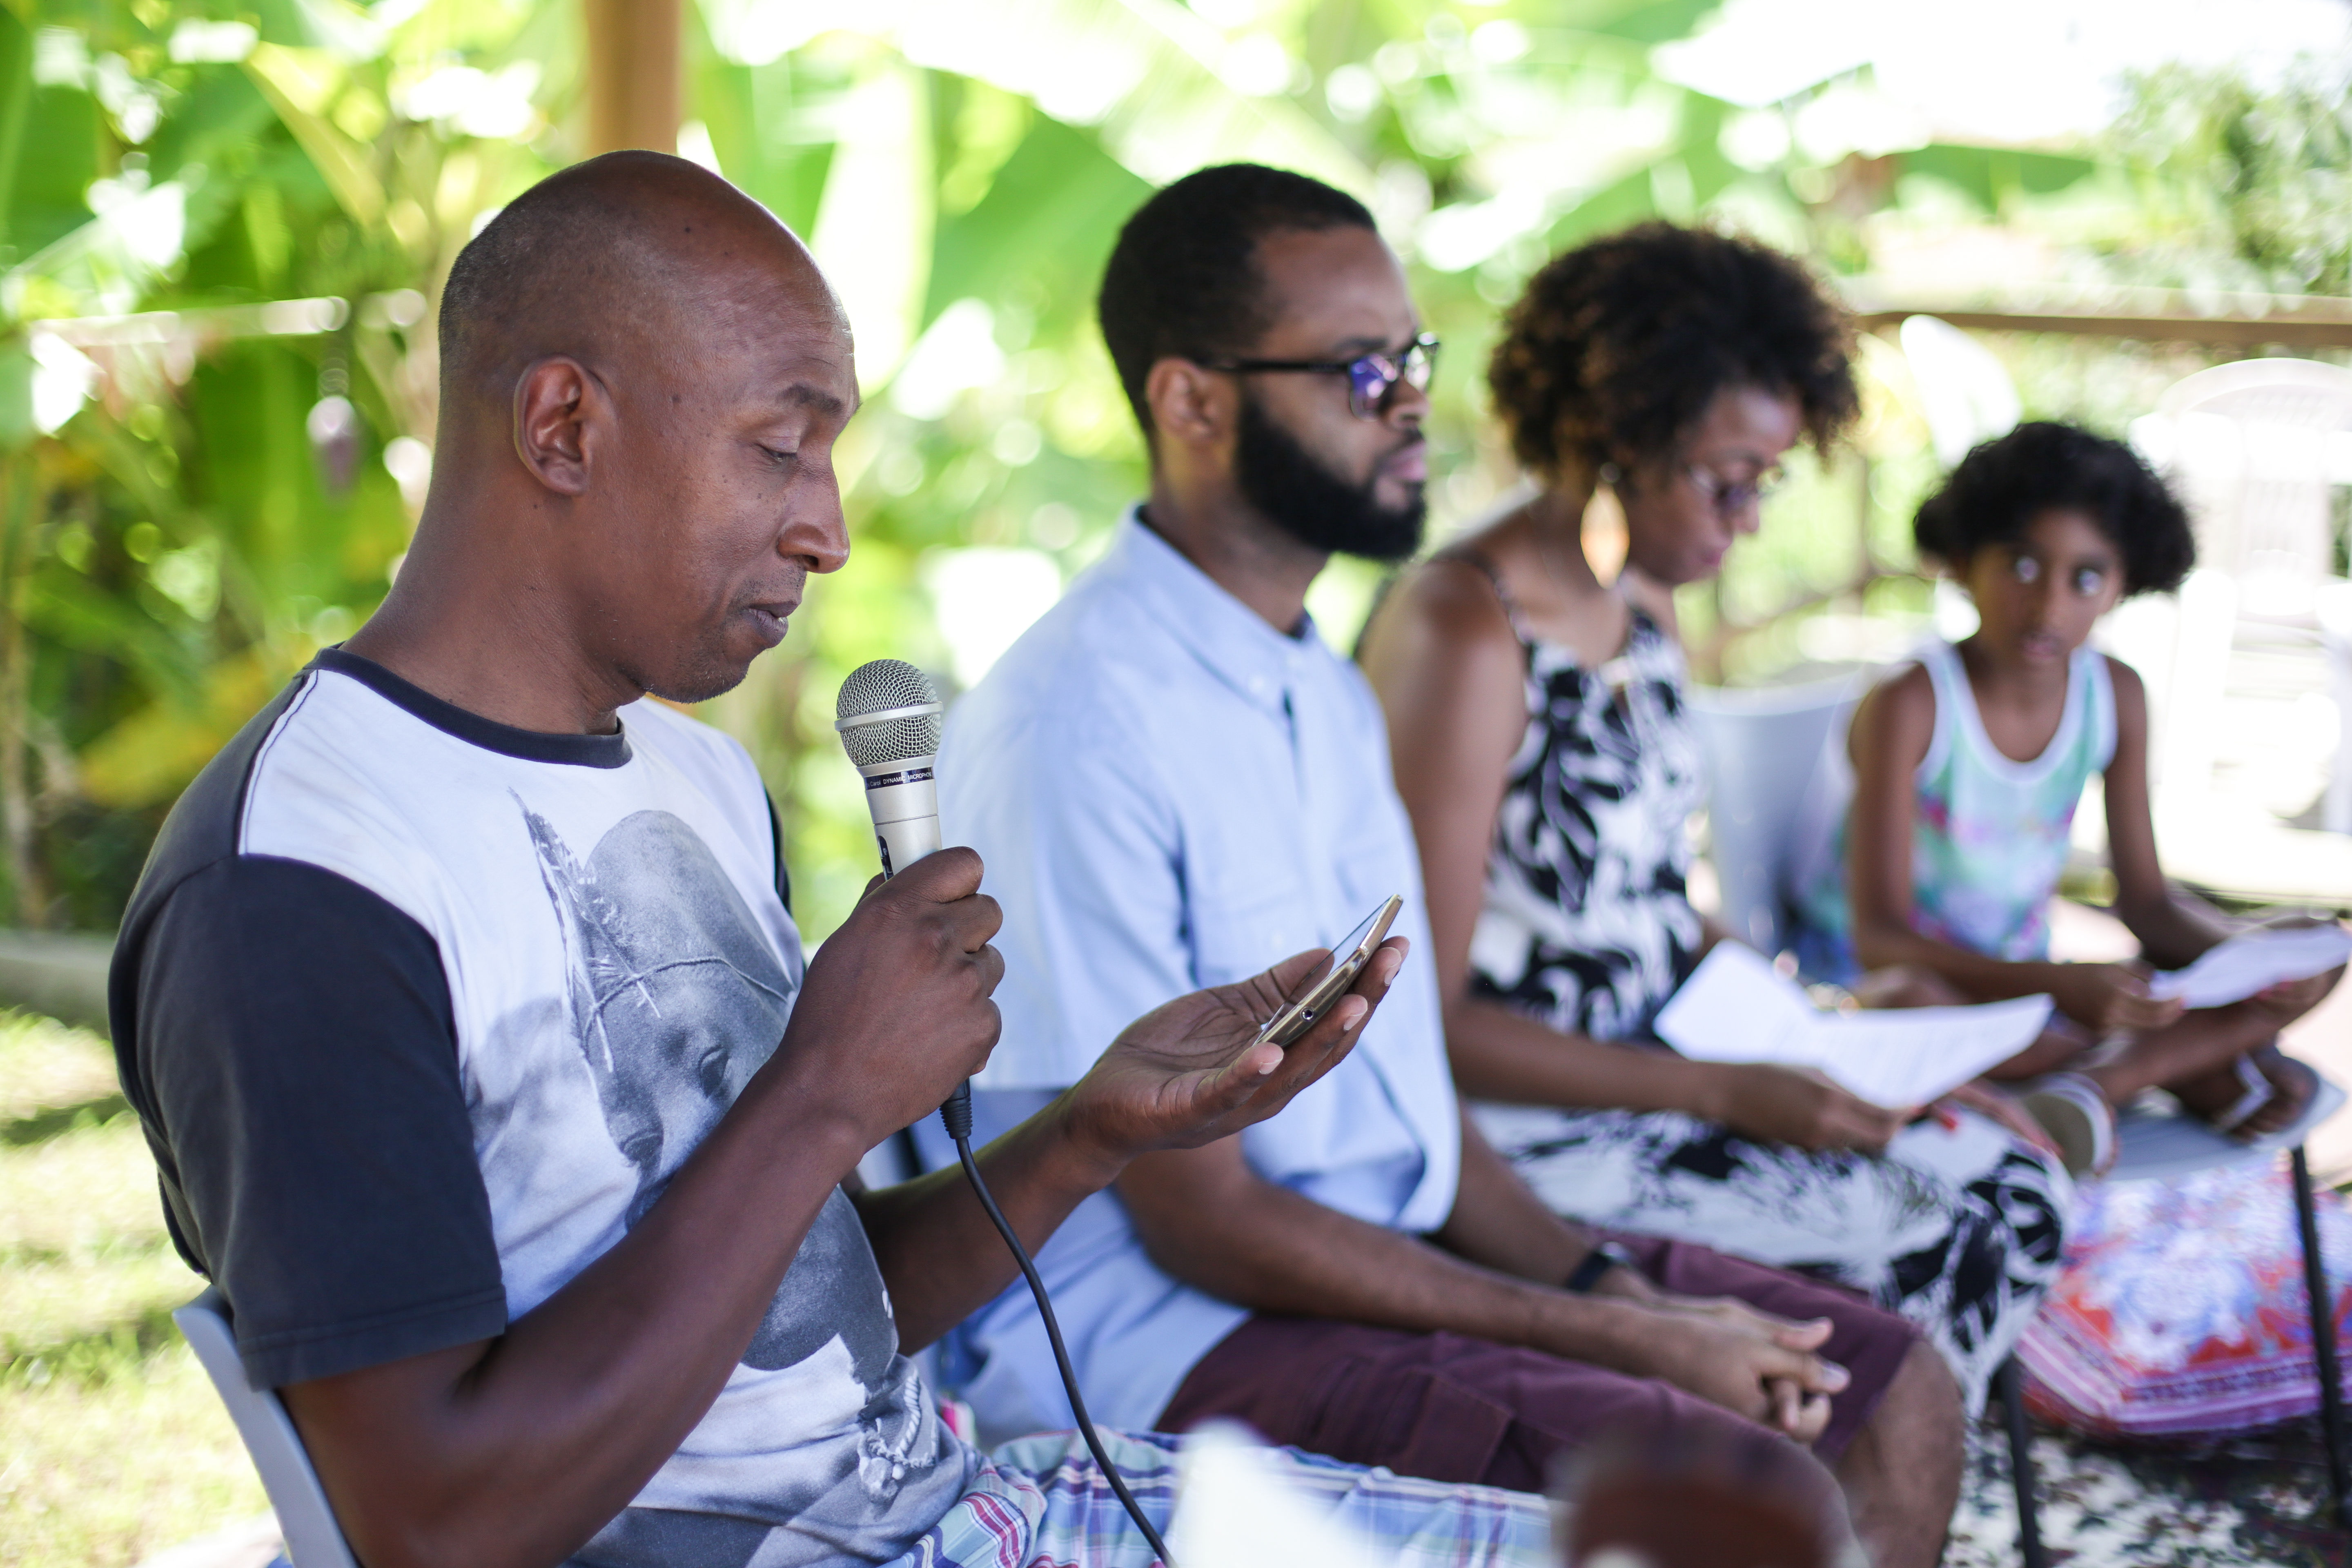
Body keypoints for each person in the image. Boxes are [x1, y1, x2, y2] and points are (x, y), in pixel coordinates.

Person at [108, 152, 1557, 1568]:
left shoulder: (696, 777)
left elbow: (818, 1316)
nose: (830, 531)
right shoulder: (303, 883)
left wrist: (1089, 1136)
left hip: (971, 1504)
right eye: (778, 448)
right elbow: (434, 1527)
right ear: (562, 427)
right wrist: (823, 1092)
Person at [935, 164, 1964, 1568]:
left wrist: (1609, 1287)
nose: (1413, 402)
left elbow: (1410, 1098)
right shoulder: (1078, 724)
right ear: (1192, 401)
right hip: (1178, 1335)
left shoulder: (1317, 681)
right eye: (1363, 370)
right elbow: (1201, 1221)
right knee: (1752, 1488)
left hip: (1383, 1259)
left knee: (1895, 1397)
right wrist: (1614, 1329)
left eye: (1412, 358)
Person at [1355, 223, 2070, 1415]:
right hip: (1522, 1129)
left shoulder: (1639, 607)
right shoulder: (1466, 629)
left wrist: (1825, 1034)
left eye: (1765, 483)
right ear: (1616, 435)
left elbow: (1644, 908)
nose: (1747, 520)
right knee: (1945, 1225)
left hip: (1668, 1069)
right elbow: (1414, 1014)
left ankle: (1853, 1477)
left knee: (2009, 1175)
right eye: (1725, 479)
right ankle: (1812, 1485)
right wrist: (1730, 1091)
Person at [1791, 419, 2343, 1155]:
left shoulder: (2115, 695)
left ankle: (2102, 1081)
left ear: (2122, 585)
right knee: (1912, 1001)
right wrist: (2061, 986)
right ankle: (2186, 1067)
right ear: (1963, 562)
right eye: (2022, 566)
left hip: (2035, 992)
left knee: (2319, 945)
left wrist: (2251, 962)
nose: (2049, 606)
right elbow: (1881, 944)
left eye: (2085, 577)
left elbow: (2146, 903)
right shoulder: (1912, 704)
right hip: (1894, 989)